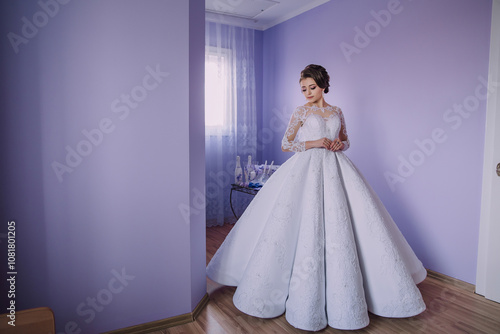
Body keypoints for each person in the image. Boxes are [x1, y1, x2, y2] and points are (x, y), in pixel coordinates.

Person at [206, 64, 426, 331]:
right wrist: (315, 142)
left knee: (345, 222)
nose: (307, 92)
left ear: (323, 85)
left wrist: (338, 144)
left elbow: (346, 140)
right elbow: (287, 144)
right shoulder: (301, 111)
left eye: (312, 87)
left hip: (336, 167)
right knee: (298, 220)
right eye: (303, 89)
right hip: (305, 168)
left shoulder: (337, 112)